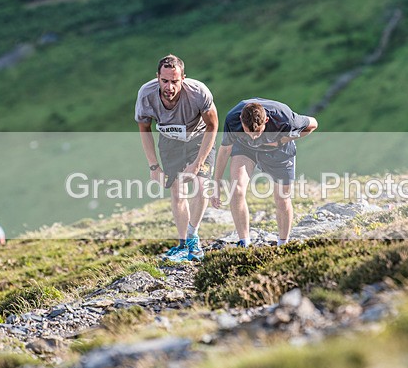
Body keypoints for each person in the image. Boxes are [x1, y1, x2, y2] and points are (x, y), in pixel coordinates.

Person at [135, 54, 218, 261]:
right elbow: (144, 129)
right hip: (170, 142)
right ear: (157, 77)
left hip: (199, 138)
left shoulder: (199, 93)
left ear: (183, 78)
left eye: (174, 81)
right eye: (164, 81)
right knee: (177, 191)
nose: (169, 87)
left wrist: (198, 163)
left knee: (201, 186)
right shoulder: (146, 95)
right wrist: (154, 167)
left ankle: (193, 237)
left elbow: (213, 125)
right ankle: (182, 244)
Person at [211, 98, 318, 247]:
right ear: (241, 120)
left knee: (282, 198)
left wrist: (282, 140)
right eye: (248, 132)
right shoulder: (232, 118)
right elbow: (225, 150)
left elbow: (313, 124)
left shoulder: (284, 117)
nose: (253, 137)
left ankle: (283, 244)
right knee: (237, 189)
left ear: (266, 120)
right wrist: (216, 183)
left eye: (258, 132)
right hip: (245, 149)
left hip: (279, 150)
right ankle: (245, 243)